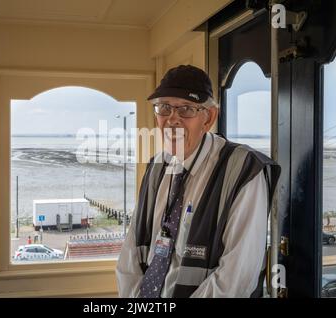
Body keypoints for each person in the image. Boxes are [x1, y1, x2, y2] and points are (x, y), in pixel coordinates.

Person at [116, 65, 281, 298]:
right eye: (164, 108)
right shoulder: (155, 167)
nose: (172, 119)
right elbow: (130, 256)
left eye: (186, 109)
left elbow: (236, 280)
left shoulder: (243, 170)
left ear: (209, 117)